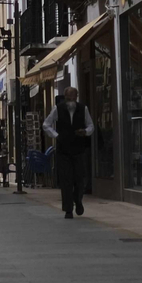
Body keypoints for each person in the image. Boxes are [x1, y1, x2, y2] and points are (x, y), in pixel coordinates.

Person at [42, 86, 95, 219]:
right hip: (63, 150)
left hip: (79, 149)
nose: (71, 101)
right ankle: (68, 209)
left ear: (76, 98)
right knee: (66, 180)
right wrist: (56, 135)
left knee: (79, 179)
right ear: (64, 98)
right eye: (68, 98)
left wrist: (85, 132)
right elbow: (46, 124)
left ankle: (78, 200)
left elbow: (91, 126)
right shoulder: (58, 109)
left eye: (73, 98)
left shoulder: (83, 109)